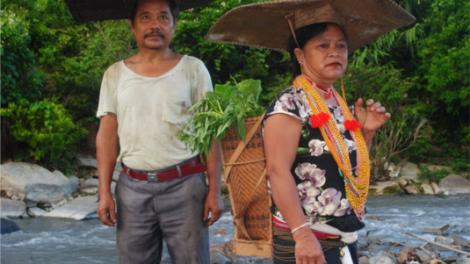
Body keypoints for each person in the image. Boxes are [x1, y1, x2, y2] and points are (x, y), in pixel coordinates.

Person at [95, 0, 224, 263]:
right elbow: (107, 137)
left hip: (186, 187)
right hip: (132, 190)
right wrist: (104, 192)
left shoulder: (193, 69)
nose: (155, 25)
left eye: (163, 18)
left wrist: (215, 191)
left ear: (174, 25)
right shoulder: (115, 74)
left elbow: (210, 133)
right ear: (132, 26)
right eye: (145, 18)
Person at [262, 22, 391, 264]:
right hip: (308, 243)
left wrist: (366, 133)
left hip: (342, 239)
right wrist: (302, 235)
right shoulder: (289, 105)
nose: (335, 52)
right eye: (323, 45)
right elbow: (277, 172)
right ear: (299, 54)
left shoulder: (341, 105)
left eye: (341, 46)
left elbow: (349, 170)